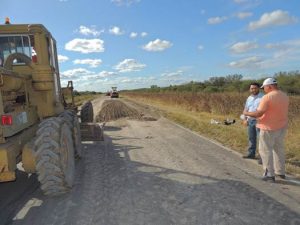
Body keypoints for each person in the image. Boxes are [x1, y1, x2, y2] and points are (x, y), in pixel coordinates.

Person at [243, 78, 289, 182]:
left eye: (265, 88)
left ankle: (269, 174)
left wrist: (246, 113)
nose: (264, 90)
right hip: (281, 126)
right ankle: (280, 172)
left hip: (268, 127)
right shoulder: (284, 96)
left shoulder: (267, 97)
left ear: (269, 86)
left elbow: (258, 113)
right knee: (279, 150)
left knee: (265, 150)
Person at [242, 82, 264, 160]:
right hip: (250, 120)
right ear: (249, 89)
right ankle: (251, 154)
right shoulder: (249, 98)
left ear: (259, 88)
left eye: (255, 88)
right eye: (252, 88)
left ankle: (262, 157)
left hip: (260, 121)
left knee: (261, 139)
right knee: (251, 138)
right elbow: (246, 109)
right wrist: (245, 119)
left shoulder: (263, 97)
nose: (253, 90)